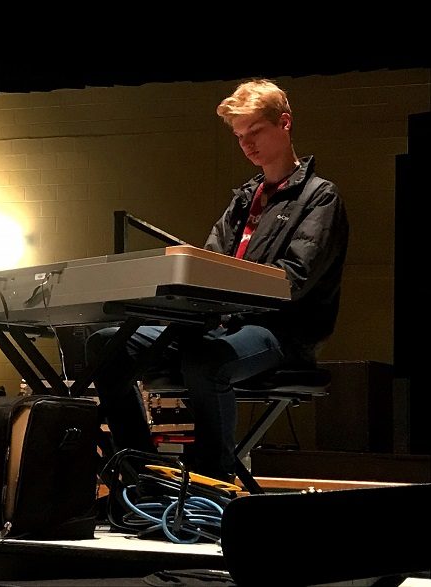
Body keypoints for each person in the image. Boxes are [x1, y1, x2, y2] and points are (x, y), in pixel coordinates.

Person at [87, 78, 349, 482]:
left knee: (206, 359)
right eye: (239, 136)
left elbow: (291, 280)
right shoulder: (243, 200)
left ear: (285, 123)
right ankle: (142, 471)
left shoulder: (320, 197)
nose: (246, 145)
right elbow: (207, 265)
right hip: (219, 326)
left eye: (255, 132)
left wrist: (217, 300)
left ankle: (215, 478)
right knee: (106, 345)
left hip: (278, 334)